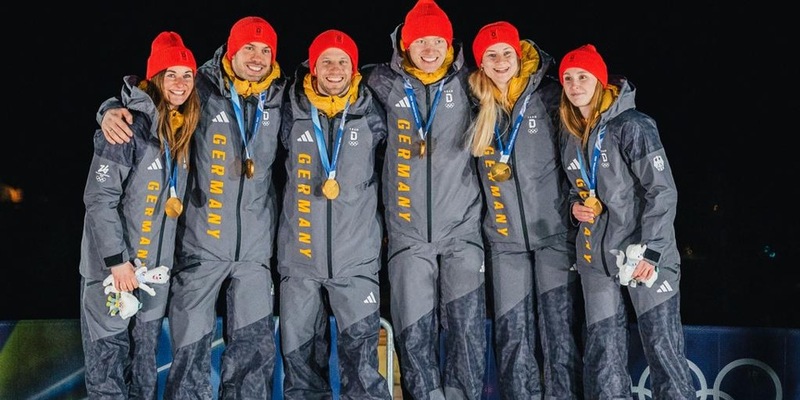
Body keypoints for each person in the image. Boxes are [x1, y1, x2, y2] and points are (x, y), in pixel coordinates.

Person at [98, 16, 288, 399]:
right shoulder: (200, 83)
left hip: (254, 252)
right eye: (248, 48)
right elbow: (149, 94)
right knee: (190, 361)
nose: (257, 57)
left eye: (265, 49)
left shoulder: (285, 93)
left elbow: (341, 91)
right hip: (198, 249)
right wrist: (107, 111)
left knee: (253, 359)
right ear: (230, 50)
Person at [362, 0, 487, 398]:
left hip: (462, 231)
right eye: (421, 40)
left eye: (437, 40)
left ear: (449, 45)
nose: (429, 49)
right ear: (405, 44)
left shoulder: (470, 83)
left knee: (466, 331)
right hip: (407, 235)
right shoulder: (381, 82)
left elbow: (515, 88)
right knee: (413, 332)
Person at [558, 43, 695, 399]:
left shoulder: (632, 125)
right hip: (596, 259)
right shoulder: (571, 135)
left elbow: (662, 191)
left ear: (601, 81)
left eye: (583, 77)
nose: (574, 85)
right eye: (568, 78)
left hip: (644, 255)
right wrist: (576, 208)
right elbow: (578, 190)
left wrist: (652, 253)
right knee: (603, 356)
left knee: (663, 352)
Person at [467, 21, 584, 399]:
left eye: (507, 53)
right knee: (513, 338)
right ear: (480, 63)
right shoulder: (473, 103)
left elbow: (576, 161)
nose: (501, 61)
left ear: (519, 57)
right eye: (491, 55)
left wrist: (572, 209)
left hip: (554, 236)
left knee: (559, 335)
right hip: (504, 243)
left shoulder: (550, 97)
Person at [80, 31, 199, 399]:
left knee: (145, 373)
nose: (179, 84)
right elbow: (100, 200)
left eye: (187, 75)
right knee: (108, 375)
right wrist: (117, 263)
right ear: (155, 78)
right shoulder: (125, 127)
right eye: (171, 74)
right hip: (112, 275)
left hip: (153, 277)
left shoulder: (180, 130)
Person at [277, 29, 392, 400]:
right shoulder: (288, 106)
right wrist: (113, 110)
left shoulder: (372, 109)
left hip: (356, 262)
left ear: (354, 69)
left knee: (363, 371)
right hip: (300, 262)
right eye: (326, 60)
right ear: (313, 67)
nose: (335, 68)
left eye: (343, 61)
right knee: (302, 373)